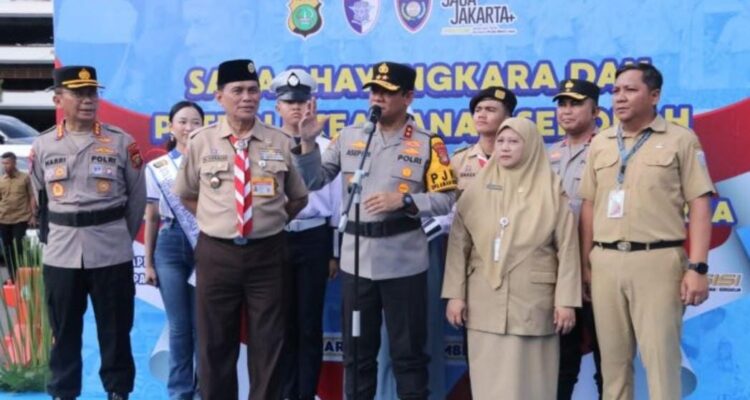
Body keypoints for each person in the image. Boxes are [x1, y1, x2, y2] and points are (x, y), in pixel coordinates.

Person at [293, 61, 457, 400]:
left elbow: (447, 199)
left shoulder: (429, 143)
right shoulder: (350, 136)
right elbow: (313, 181)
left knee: (408, 355)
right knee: (358, 354)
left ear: (408, 97)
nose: (377, 98)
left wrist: (406, 201)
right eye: (374, 91)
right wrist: (307, 144)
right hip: (357, 262)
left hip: (404, 261)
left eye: (387, 92)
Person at [174, 59, 309, 400]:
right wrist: (217, 220)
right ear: (220, 97)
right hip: (217, 253)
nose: (247, 97)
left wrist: (268, 221)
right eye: (237, 91)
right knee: (215, 343)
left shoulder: (279, 140)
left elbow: (298, 198)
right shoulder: (202, 141)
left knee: (270, 342)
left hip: (268, 254)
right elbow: (186, 194)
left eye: (252, 90)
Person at [579, 62, 714, 400]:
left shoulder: (680, 140)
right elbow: (589, 206)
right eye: (615, 91)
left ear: (654, 96)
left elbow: (700, 204)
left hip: (658, 261)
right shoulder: (601, 142)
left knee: (661, 363)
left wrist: (698, 267)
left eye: (630, 90)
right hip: (606, 262)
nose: (619, 97)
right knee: (612, 367)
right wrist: (586, 263)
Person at [442, 117, 581, 400]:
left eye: (514, 142)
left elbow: (568, 249)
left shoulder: (551, 189)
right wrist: (455, 295)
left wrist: (566, 301)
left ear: (530, 146)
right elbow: (458, 246)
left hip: (532, 302)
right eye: (501, 141)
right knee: (489, 383)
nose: (504, 147)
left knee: (532, 384)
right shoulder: (478, 188)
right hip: (484, 302)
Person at [30, 65, 146, 400]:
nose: (87, 100)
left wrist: (116, 235)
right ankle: (63, 392)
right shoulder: (44, 145)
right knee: (63, 330)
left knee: (116, 329)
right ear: (58, 99)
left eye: (92, 93)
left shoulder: (121, 142)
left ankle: (118, 391)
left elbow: (136, 199)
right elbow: (40, 199)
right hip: (62, 252)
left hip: (110, 249)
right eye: (78, 93)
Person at [270, 68, 341, 400]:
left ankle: (305, 394)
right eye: (289, 102)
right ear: (278, 107)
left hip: (314, 238)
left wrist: (334, 251)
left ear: (312, 104)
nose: (296, 108)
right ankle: (285, 392)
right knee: (280, 324)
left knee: (310, 324)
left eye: (302, 102)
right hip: (275, 238)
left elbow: (338, 203)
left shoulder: (326, 147)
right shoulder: (266, 145)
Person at [144, 101, 205, 400]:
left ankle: (205, 390)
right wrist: (149, 263)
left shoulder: (214, 162)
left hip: (206, 244)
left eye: (195, 122)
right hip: (169, 245)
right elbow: (152, 216)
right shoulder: (157, 168)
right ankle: (180, 392)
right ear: (171, 127)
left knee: (203, 325)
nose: (189, 127)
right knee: (179, 326)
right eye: (182, 121)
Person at [548, 79, 603, 399]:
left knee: (607, 356)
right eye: (562, 104)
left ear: (595, 111)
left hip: (597, 266)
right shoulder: (548, 154)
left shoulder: (607, 149)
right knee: (561, 358)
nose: (566, 111)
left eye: (575, 104)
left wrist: (587, 265)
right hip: (556, 269)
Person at [451, 86, 517, 192]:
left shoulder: (520, 158)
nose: (481, 115)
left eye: (490, 110)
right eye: (478, 110)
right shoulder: (458, 160)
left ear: (507, 118)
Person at [0, 151, 37, 281]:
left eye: (8, 163)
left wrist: (33, 215)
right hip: (3, 219)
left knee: (19, 248)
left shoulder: (25, 178)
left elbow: (32, 196)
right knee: (7, 250)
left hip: (20, 219)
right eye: (3, 163)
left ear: (14, 163)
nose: (5, 166)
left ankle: (22, 276)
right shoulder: (1, 180)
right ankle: (13, 277)